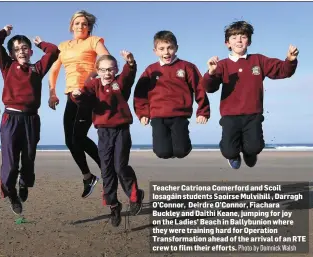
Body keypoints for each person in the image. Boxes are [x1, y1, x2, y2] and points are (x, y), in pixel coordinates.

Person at [202, 21, 299, 169]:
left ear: (249, 41)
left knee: (254, 147)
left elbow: (282, 70)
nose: (239, 40)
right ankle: (232, 154)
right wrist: (211, 73)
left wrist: (290, 61)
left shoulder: (258, 60)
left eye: (243, 36)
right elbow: (209, 87)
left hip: (253, 114)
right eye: (234, 37)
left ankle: (249, 152)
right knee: (229, 150)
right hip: (230, 115)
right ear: (227, 43)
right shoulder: (221, 65)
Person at [0, 25, 60, 215]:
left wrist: (40, 44)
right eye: (17, 49)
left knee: (28, 159)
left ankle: (24, 183)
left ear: (29, 51)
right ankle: (11, 193)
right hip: (10, 119)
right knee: (11, 162)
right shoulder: (7, 66)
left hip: (31, 120)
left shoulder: (36, 69)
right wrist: (4, 32)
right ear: (11, 53)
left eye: (24, 48)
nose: (21, 51)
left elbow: (53, 51)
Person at [71, 50, 144, 227]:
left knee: (120, 166)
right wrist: (76, 96)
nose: (107, 73)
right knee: (106, 170)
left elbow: (129, 75)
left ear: (116, 69)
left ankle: (135, 195)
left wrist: (131, 63)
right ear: (98, 70)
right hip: (103, 132)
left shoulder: (120, 83)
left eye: (111, 69)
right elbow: (84, 99)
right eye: (103, 70)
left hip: (121, 130)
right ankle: (113, 205)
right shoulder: (93, 85)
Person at [48, 10, 110, 198]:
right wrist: (52, 93)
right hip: (70, 95)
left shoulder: (94, 41)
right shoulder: (64, 46)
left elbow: (106, 59)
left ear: (89, 27)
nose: (81, 26)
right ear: (71, 25)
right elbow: (54, 69)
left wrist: (92, 75)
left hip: (88, 94)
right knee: (70, 140)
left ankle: (106, 170)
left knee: (79, 137)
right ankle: (88, 176)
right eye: (77, 23)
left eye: (84, 23)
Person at [133, 30, 210, 160]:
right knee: (162, 152)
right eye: (161, 49)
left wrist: (202, 111)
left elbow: (199, 88)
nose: (166, 52)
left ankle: (184, 144)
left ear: (176, 48)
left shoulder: (187, 67)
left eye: (170, 48)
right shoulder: (151, 70)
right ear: (155, 51)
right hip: (158, 115)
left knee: (181, 152)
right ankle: (165, 146)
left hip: (179, 115)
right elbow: (139, 93)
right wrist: (143, 114)